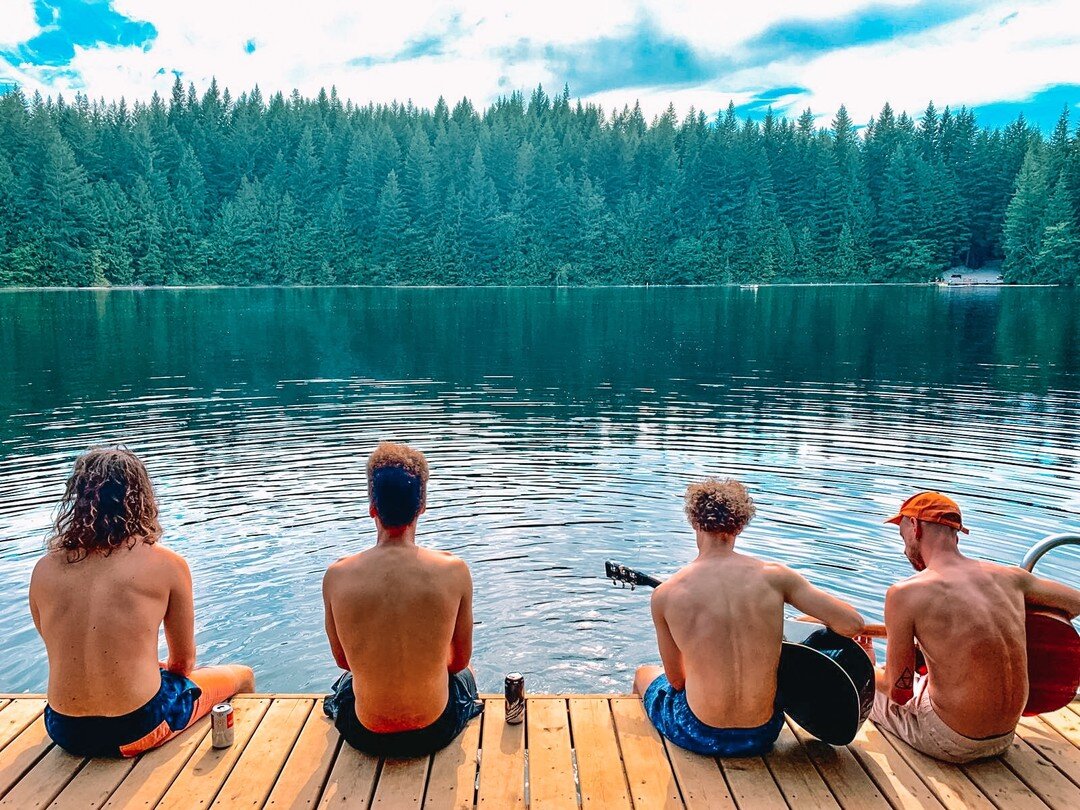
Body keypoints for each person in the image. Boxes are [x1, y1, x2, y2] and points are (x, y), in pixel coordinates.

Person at [29, 448, 254, 758]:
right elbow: (182, 664)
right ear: (141, 498)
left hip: (64, 730)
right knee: (242, 674)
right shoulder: (167, 564)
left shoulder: (44, 568)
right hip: (137, 727)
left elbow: (58, 644)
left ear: (78, 500)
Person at [633, 478, 866, 757]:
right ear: (740, 525)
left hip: (700, 733)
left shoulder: (666, 594)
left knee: (644, 675)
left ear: (694, 523)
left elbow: (677, 681)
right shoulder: (776, 577)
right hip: (762, 734)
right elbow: (852, 624)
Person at [872, 491, 1080, 763]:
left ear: (915, 526)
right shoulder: (1012, 578)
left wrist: (867, 665)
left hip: (951, 741)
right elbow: (1075, 604)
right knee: (912, 675)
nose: (904, 548)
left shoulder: (905, 593)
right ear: (955, 534)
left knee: (868, 684)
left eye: (903, 537)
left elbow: (899, 692)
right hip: (1005, 735)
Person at [322, 442, 482, 758]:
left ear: (372, 507)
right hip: (434, 731)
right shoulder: (454, 570)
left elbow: (344, 662)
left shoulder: (337, 575)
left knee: (347, 682)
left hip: (366, 734)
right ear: (422, 506)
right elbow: (459, 662)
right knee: (467, 673)